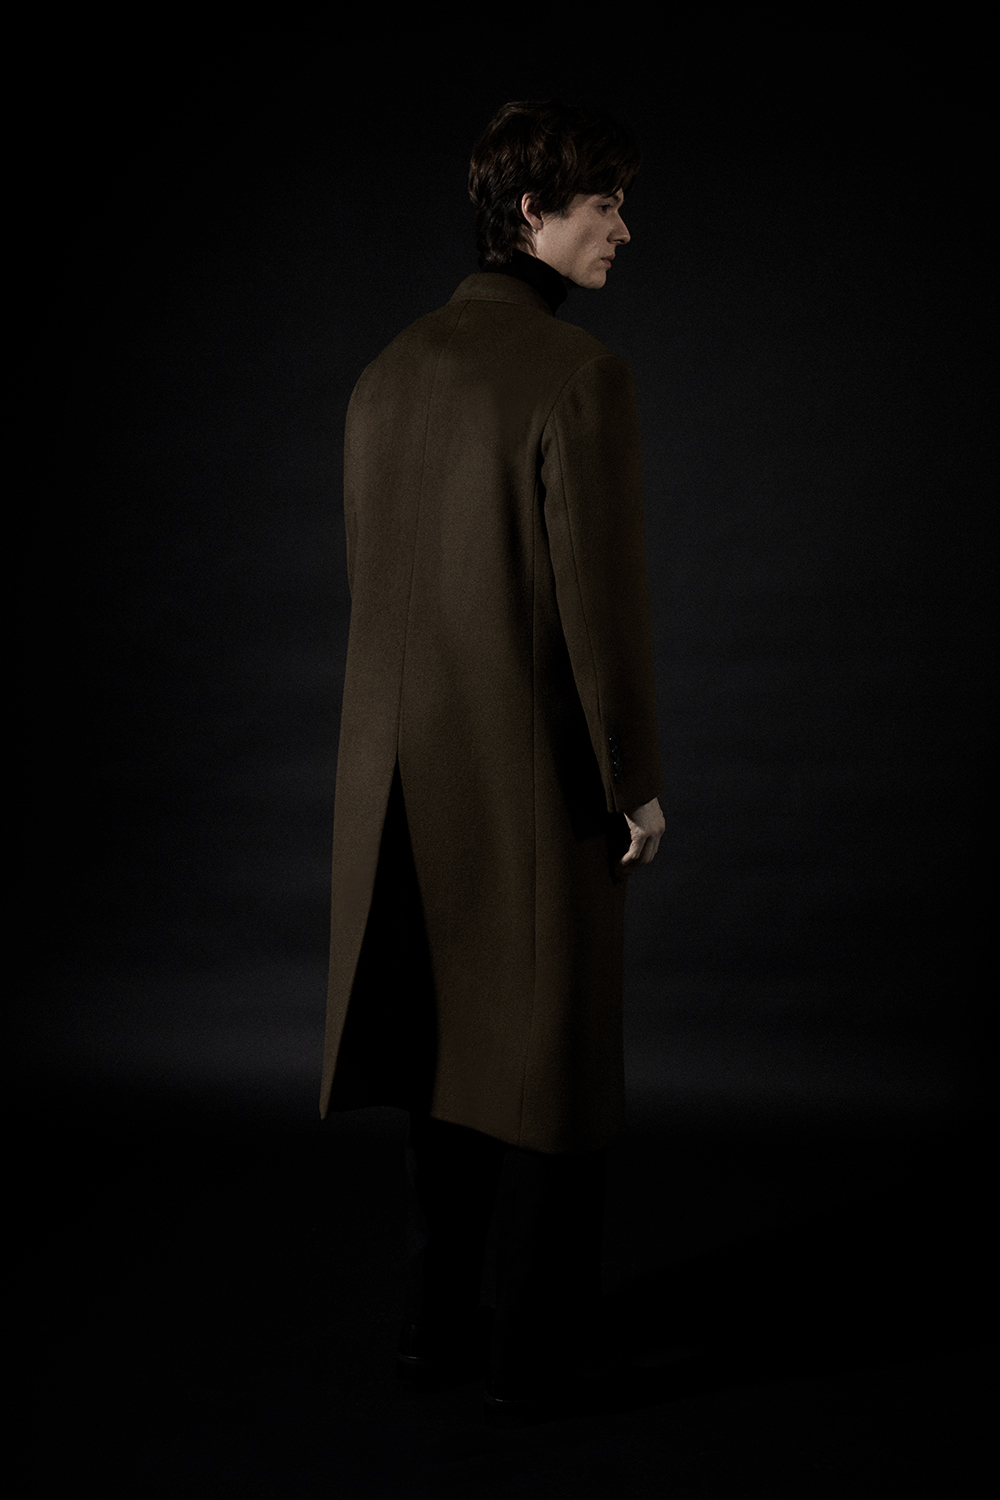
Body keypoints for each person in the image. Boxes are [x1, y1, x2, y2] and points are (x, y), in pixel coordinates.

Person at [320, 99, 664, 1421]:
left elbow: (380, 585)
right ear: (534, 211)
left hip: (403, 789)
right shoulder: (579, 377)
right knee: (557, 1064)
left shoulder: (386, 371)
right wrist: (631, 782)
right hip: (535, 779)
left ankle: (436, 1329)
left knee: (443, 1059)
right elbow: (600, 612)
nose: (625, 230)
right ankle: (542, 1350)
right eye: (605, 205)